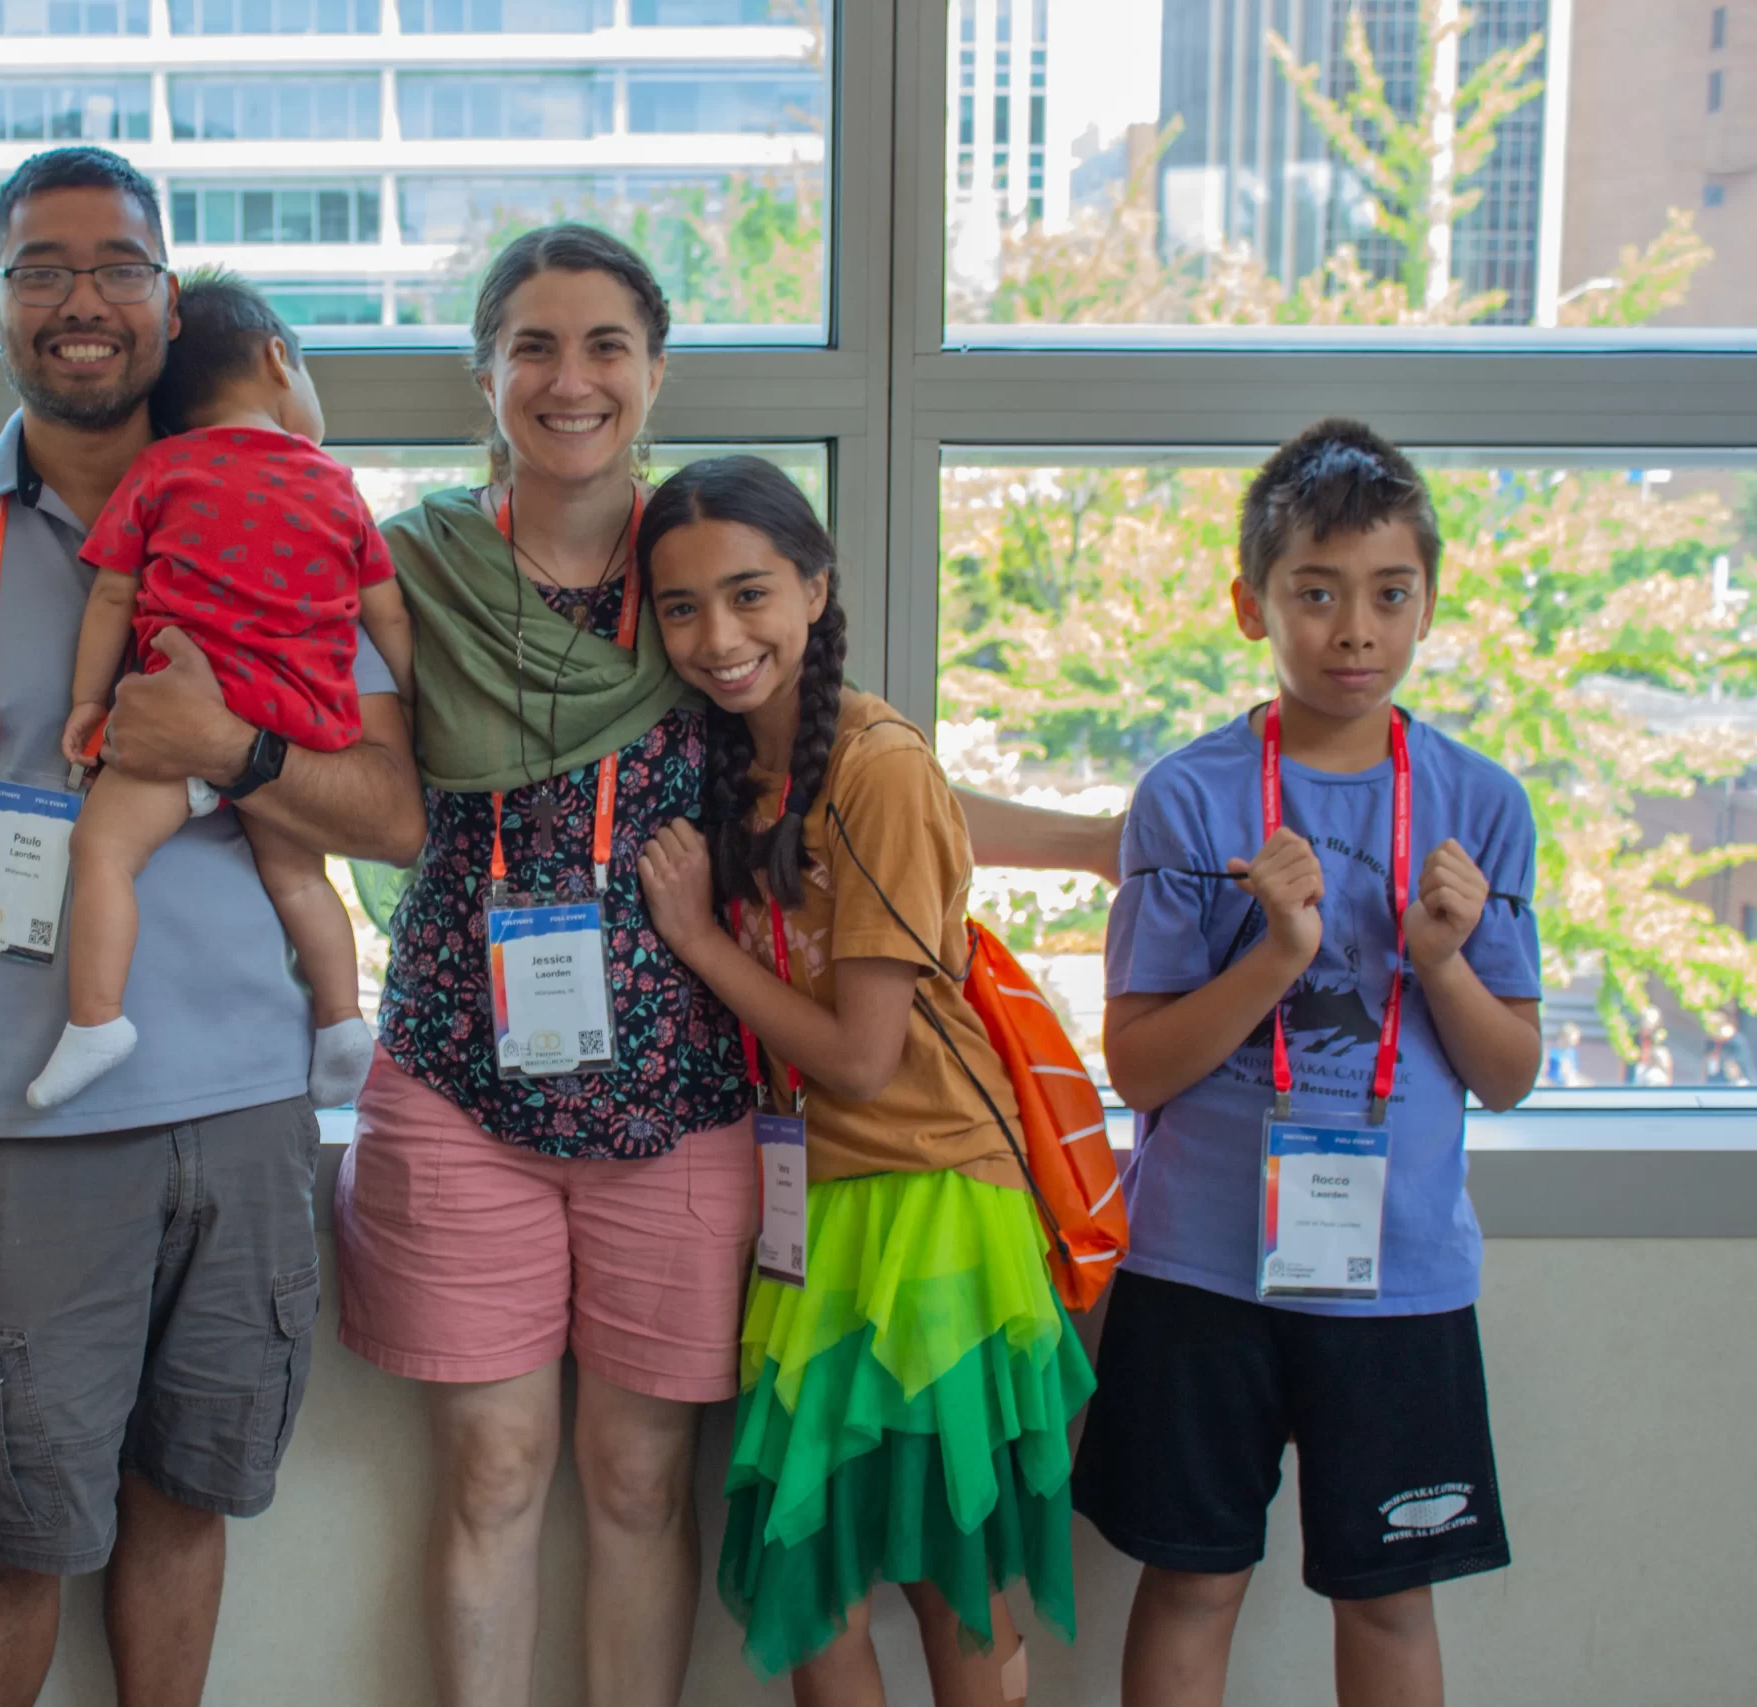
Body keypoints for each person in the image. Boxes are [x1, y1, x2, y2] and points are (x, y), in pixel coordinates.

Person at [333, 224, 1124, 1707]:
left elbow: (859, 775)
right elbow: (347, 779)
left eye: (606, 345)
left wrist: (1094, 837)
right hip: (460, 1070)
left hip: (692, 1100)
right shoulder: (412, 572)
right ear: (486, 372)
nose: (571, 380)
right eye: (535, 346)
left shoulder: (700, 566)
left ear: (655, 370)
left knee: (643, 1474)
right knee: (493, 1465)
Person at [0, 146, 423, 1707]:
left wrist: (227, 752)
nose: (81, 299)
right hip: (21, 1121)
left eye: (117, 266)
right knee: (17, 1528)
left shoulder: (302, 511)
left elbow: (396, 814)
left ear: (171, 306)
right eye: (42, 268)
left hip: (250, 1102)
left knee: (187, 1497)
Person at [1078, 419, 1544, 1707]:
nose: (1355, 630)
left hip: (1398, 1279)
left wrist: (1442, 961)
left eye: (1389, 595)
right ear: (1251, 606)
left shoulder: (1481, 805)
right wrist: (1274, 960)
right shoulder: (1188, 798)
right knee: (1192, 1580)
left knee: (1389, 1599)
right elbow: (1138, 1067)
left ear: (1427, 606)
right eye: (1316, 593)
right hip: (1200, 1270)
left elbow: (1507, 1075)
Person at [632, 455, 1093, 1706]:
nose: (719, 637)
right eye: (682, 607)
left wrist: (699, 940)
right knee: (814, 1579)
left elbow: (857, 1053)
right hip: (813, 1212)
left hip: (933, 1205)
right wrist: (1089, 840)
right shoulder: (746, 757)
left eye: (749, 595)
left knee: (955, 1582)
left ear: (815, 588)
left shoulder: (874, 760)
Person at [36, 270, 415, 1110]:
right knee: (301, 881)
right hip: (295, 723)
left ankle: (96, 1020)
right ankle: (343, 1024)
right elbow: (384, 608)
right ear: (279, 360)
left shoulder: (162, 468)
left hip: (172, 716)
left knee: (103, 853)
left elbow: (111, 594)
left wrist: (88, 703)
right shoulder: (334, 484)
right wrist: (414, 692)